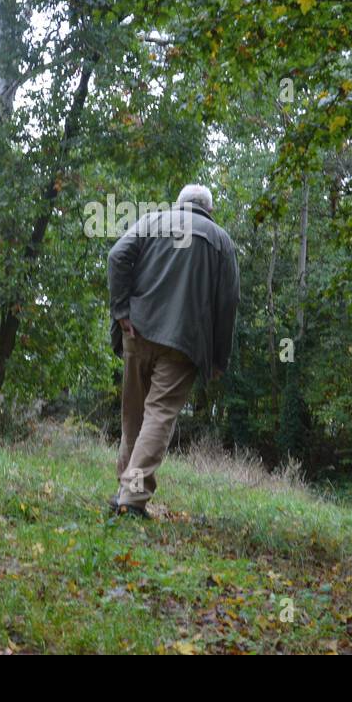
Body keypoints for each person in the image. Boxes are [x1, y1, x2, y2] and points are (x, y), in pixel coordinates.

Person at [105, 184, 239, 517]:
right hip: (184, 342)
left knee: (134, 418)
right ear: (209, 210)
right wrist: (219, 358)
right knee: (159, 415)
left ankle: (125, 492)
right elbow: (228, 303)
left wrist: (121, 312)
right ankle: (131, 499)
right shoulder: (221, 241)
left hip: (137, 330)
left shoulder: (153, 221)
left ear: (178, 204)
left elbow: (117, 255)